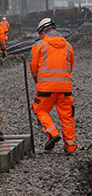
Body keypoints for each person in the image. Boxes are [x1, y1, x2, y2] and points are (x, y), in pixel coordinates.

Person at [30, 18, 76, 154]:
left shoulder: (39, 45)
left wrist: (37, 80)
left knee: (39, 110)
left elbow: (33, 67)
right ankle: (70, 146)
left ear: (43, 31)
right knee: (67, 117)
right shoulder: (68, 45)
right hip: (65, 89)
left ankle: (52, 133)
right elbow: (70, 66)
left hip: (46, 88)